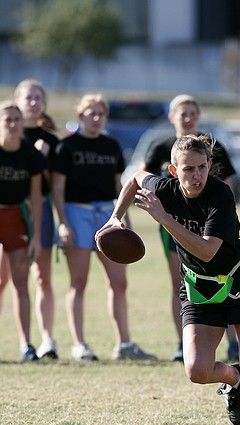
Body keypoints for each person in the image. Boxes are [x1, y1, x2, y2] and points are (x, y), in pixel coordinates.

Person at [97, 135, 240, 425]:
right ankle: (231, 379)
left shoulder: (220, 196)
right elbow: (133, 178)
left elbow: (208, 250)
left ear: (210, 166)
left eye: (202, 167)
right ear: (174, 171)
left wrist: (163, 218)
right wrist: (116, 217)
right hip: (200, 287)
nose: (196, 175)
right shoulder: (164, 189)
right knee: (197, 370)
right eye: (188, 169)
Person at [52, 93, 155, 361]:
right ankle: (79, 345)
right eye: (91, 113)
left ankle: (124, 344)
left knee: (119, 282)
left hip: (107, 215)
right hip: (77, 213)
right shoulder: (67, 147)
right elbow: (58, 189)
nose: (96, 118)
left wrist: (125, 220)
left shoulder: (111, 145)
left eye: (101, 113)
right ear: (81, 115)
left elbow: (119, 186)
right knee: (79, 281)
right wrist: (63, 222)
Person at [143, 94, 239, 363]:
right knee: (180, 283)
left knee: (223, 280)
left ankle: (233, 344)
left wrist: (222, 218)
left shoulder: (214, 148)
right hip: (173, 223)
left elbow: (228, 185)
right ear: (171, 117)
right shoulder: (162, 147)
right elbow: (140, 177)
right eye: (182, 114)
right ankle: (182, 343)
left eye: (192, 114)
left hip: (210, 223)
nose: (187, 118)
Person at [14, 79, 59, 359]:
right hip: (10, 211)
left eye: (37, 98)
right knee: (6, 279)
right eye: (28, 97)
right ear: (17, 101)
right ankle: (23, 342)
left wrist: (41, 160)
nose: (33, 102)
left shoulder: (51, 141)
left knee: (42, 278)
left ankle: (47, 340)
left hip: (40, 210)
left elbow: (54, 185)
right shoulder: (8, 136)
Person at [0, 101, 43, 361]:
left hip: (17, 218)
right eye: (8, 119)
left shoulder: (31, 155)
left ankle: (26, 345)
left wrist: (36, 235)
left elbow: (36, 198)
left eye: (17, 119)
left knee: (20, 283)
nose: (14, 124)